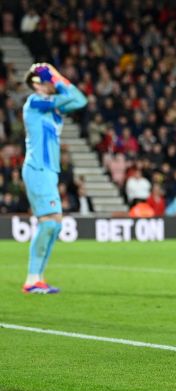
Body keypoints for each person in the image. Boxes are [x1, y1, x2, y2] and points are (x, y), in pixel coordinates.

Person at [21, 63, 87, 293]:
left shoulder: (53, 108)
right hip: (37, 167)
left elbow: (80, 100)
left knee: (55, 225)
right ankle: (31, 279)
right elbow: (74, 99)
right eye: (46, 80)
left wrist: (58, 77)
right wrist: (54, 81)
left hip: (49, 170)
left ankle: (38, 278)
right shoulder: (34, 102)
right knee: (48, 223)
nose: (50, 84)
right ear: (38, 84)